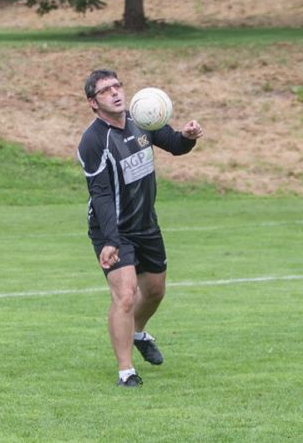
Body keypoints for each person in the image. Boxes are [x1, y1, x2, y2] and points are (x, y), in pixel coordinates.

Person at [77, 69, 204, 388]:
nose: (115, 92)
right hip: (113, 228)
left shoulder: (142, 118)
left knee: (156, 291)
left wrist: (187, 137)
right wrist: (110, 240)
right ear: (93, 103)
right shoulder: (94, 141)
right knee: (125, 295)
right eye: (106, 90)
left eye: (117, 86)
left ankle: (136, 332)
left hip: (146, 224)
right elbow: (101, 194)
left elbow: (174, 144)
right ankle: (126, 372)